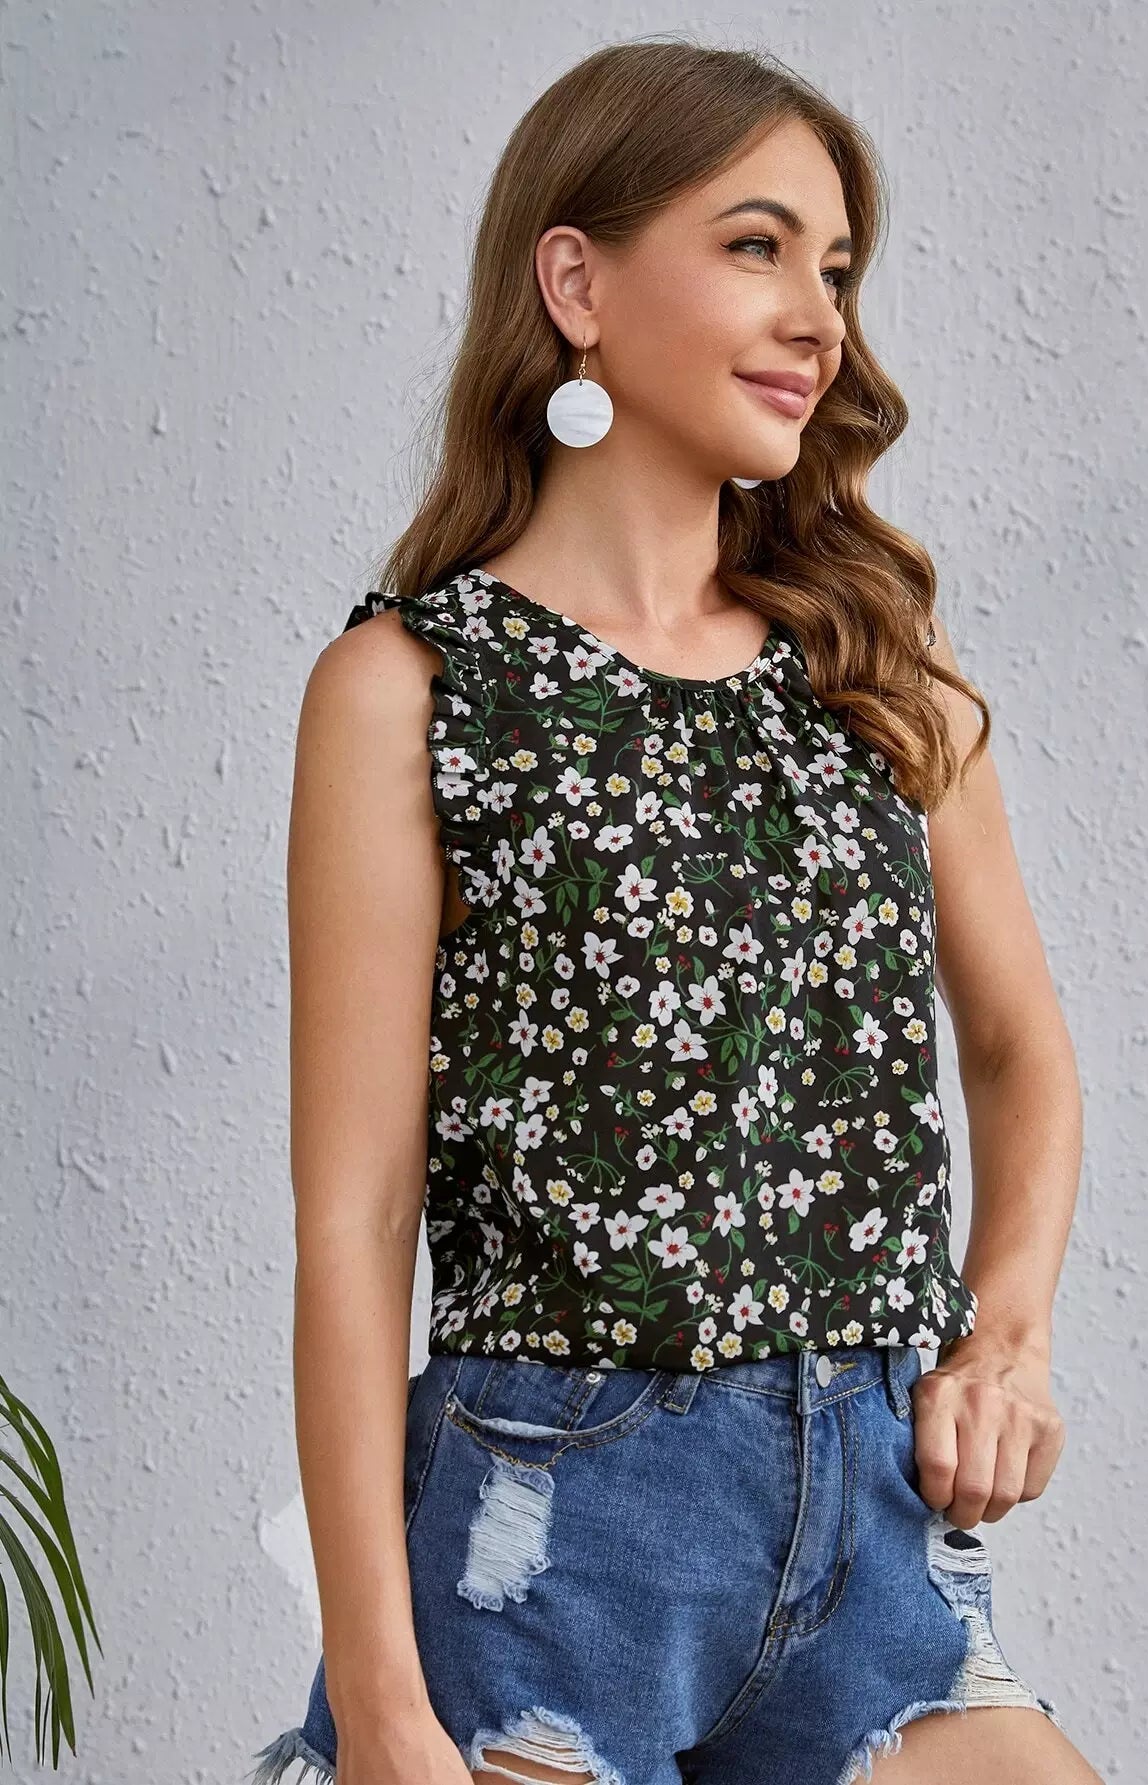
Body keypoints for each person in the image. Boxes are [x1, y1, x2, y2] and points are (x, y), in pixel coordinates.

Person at [249, 37, 1103, 1785]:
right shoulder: (410, 688)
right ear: (575, 283)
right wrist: (388, 1708)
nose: (819, 319)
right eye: (756, 246)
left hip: (871, 1526)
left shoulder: (878, 664)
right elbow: (356, 1217)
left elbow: (1022, 1052)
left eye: (837, 270)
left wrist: (1005, 1333)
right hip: (546, 1550)